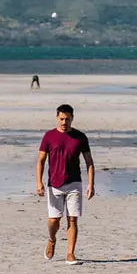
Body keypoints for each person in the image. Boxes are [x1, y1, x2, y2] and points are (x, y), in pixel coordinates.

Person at [37, 105, 94, 264]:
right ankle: (52, 239)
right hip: (54, 184)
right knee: (54, 220)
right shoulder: (49, 136)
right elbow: (41, 161)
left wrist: (91, 184)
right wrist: (39, 182)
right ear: (57, 118)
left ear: (72, 118)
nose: (64, 122)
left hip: (74, 183)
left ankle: (70, 253)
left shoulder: (80, 137)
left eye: (67, 119)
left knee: (73, 219)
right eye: (61, 119)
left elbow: (89, 162)